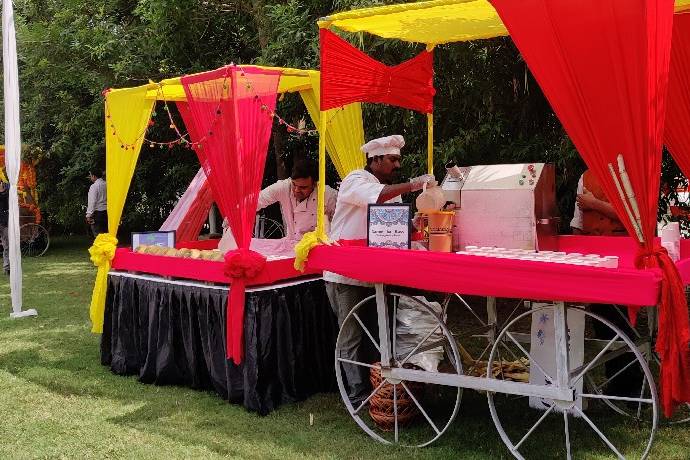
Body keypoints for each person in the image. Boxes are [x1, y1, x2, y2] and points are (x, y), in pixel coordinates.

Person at [324, 134, 436, 406]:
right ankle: (356, 391)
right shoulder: (356, 180)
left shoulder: (390, 191)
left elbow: (394, 227)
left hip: (377, 274)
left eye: (398, 159)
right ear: (374, 160)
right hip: (346, 273)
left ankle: (380, 385)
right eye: (392, 160)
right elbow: (377, 197)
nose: (397, 165)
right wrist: (414, 184)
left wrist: (415, 222)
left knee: (378, 331)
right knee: (350, 333)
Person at [570, 169, 642, 397]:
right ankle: (615, 382)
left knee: (621, 321)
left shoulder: (627, 174)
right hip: (594, 257)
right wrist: (577, 252)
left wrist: (594, 203)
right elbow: (578, 220)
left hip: (622, 258)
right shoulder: (585, 177)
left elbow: (633, 216)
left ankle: (631, 387)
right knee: (601, 321)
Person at [257, 159, 338, 241]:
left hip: (319, 245)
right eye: (294, 184)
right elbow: (257, 201)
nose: (296, 190)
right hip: (291, 243)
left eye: (303, 187)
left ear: (315, 184)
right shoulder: (284, 187)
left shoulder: (328, 195)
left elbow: (339, 223)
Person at [86, 168, 107, 237]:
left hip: (98, 214)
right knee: (106, 236)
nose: (90, 177)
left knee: (98, 237)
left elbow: (92, 201)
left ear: (94, 176)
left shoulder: (94, 186)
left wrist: (89, 215)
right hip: (107, 213)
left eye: (90, 175)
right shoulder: (107, 184)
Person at [0, 182, 10, 275]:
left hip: (4, 223)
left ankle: (7, 268)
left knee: (6, 245)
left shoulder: (7, 188)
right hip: (2, 222)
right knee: (6, 245)